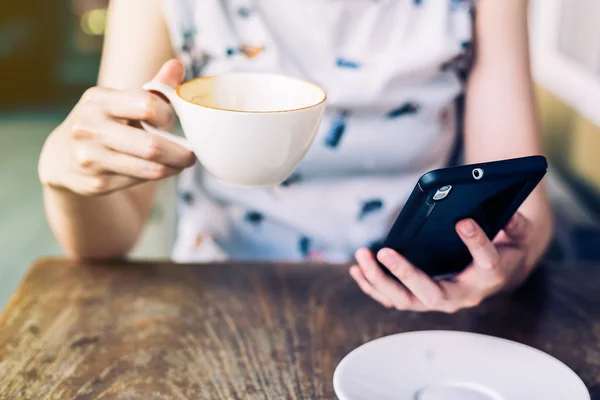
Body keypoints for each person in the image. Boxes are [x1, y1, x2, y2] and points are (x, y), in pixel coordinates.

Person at [38, 0, 553, 313]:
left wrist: (504, 264)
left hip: (423, 296)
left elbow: (521, 199)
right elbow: (109, 238)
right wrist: (66, 181)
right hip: (220, 296)